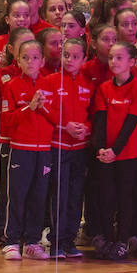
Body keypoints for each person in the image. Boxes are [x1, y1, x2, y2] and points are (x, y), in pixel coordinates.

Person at [91, 39, 137, 261]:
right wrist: (102, 150)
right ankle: (107, 238)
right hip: (106, 155)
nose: (113, 61)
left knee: (125, 198)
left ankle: (122, 240)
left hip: (128, 155)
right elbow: (100, 120)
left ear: (132, 62)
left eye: (119, 58)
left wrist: (115, 151)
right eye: (111, 57)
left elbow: (131, 124)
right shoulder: (104, 87)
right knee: (106, 197)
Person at [0, 36, 53, 261]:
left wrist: (42, 109)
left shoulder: (49, 84)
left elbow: (55, 118)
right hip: (21, 149)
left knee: (39, 197)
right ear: (18, 61)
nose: (30, 62)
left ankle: (32, 241)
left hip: (44, 151)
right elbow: (6, 121)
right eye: (25, 58)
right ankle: (11, 241)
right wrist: (28, 109)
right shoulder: (11, 86)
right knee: (17, 195)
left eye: (35, 58)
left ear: (42, 61)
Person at [39, 35, 94, 259]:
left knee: (75, 195)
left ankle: (70, 240)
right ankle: (56, 241)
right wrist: (65, 126)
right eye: (66, 55)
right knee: (58, 195)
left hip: (80, 149)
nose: (70, 59)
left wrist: (86, 128)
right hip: (58, 146)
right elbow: (45, 111)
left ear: (84, 59)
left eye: (75, 56)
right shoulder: (50, 81)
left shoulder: (88, 84)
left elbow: (93, 115)